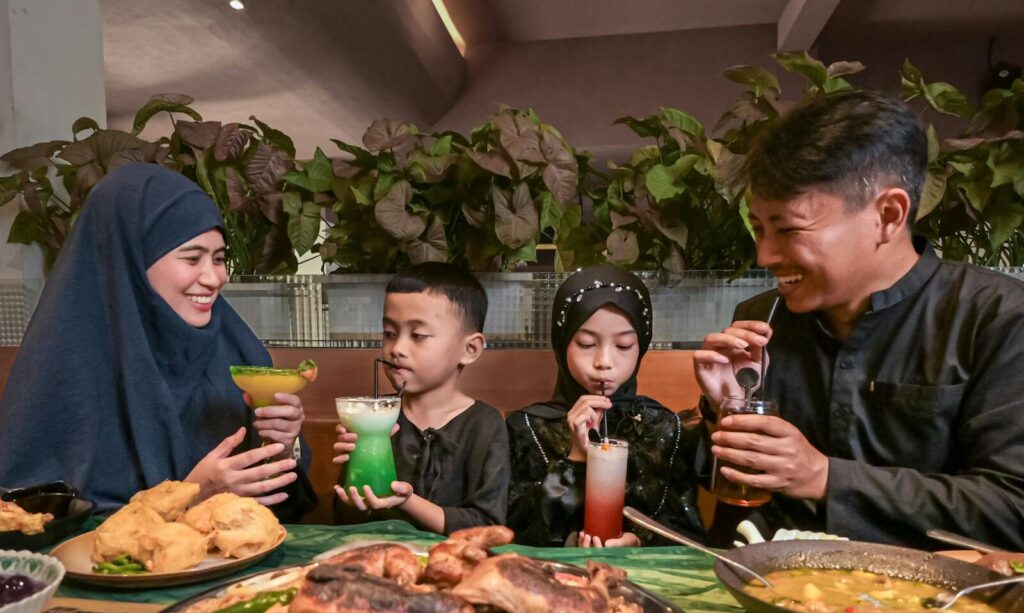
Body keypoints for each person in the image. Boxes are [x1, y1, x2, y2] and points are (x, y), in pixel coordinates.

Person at [695, 89, 1024, 550]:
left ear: (888, 215)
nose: (765, 255)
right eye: (759, 229)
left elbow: (1012, 508)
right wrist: (725, 413)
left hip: (933, 591)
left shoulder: (996, 319)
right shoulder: (760, 321)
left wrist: (825, 477)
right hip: (765, 580)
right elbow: (728, 504)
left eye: (788, 229)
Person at [0, 164, 315, 520]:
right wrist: (190, 497)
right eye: (192, 258)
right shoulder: (63, 368)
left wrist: (283, 445)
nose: (214, 278)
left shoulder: (240, 354)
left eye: (219, 258)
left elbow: (281, 511)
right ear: (132, 260)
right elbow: (31, 527)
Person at [506, 265, 705, 547]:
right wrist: (575, 458)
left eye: (623, 346)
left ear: (641, 345)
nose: (604, 362)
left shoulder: (662, 427)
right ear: (562, 344)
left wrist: (637, 543)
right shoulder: (526, 427)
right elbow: (515, 531)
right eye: (586, 344)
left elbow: (687, 534)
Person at [333, 262, 510, 534]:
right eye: (389, 334)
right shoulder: (374, 416)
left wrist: (407, 501)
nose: (397, 348)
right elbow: (344, 520)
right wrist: (355, 482)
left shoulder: (484, 424)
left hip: (453, 559)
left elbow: (487, 527)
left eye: (418, 335)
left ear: (470, 349)